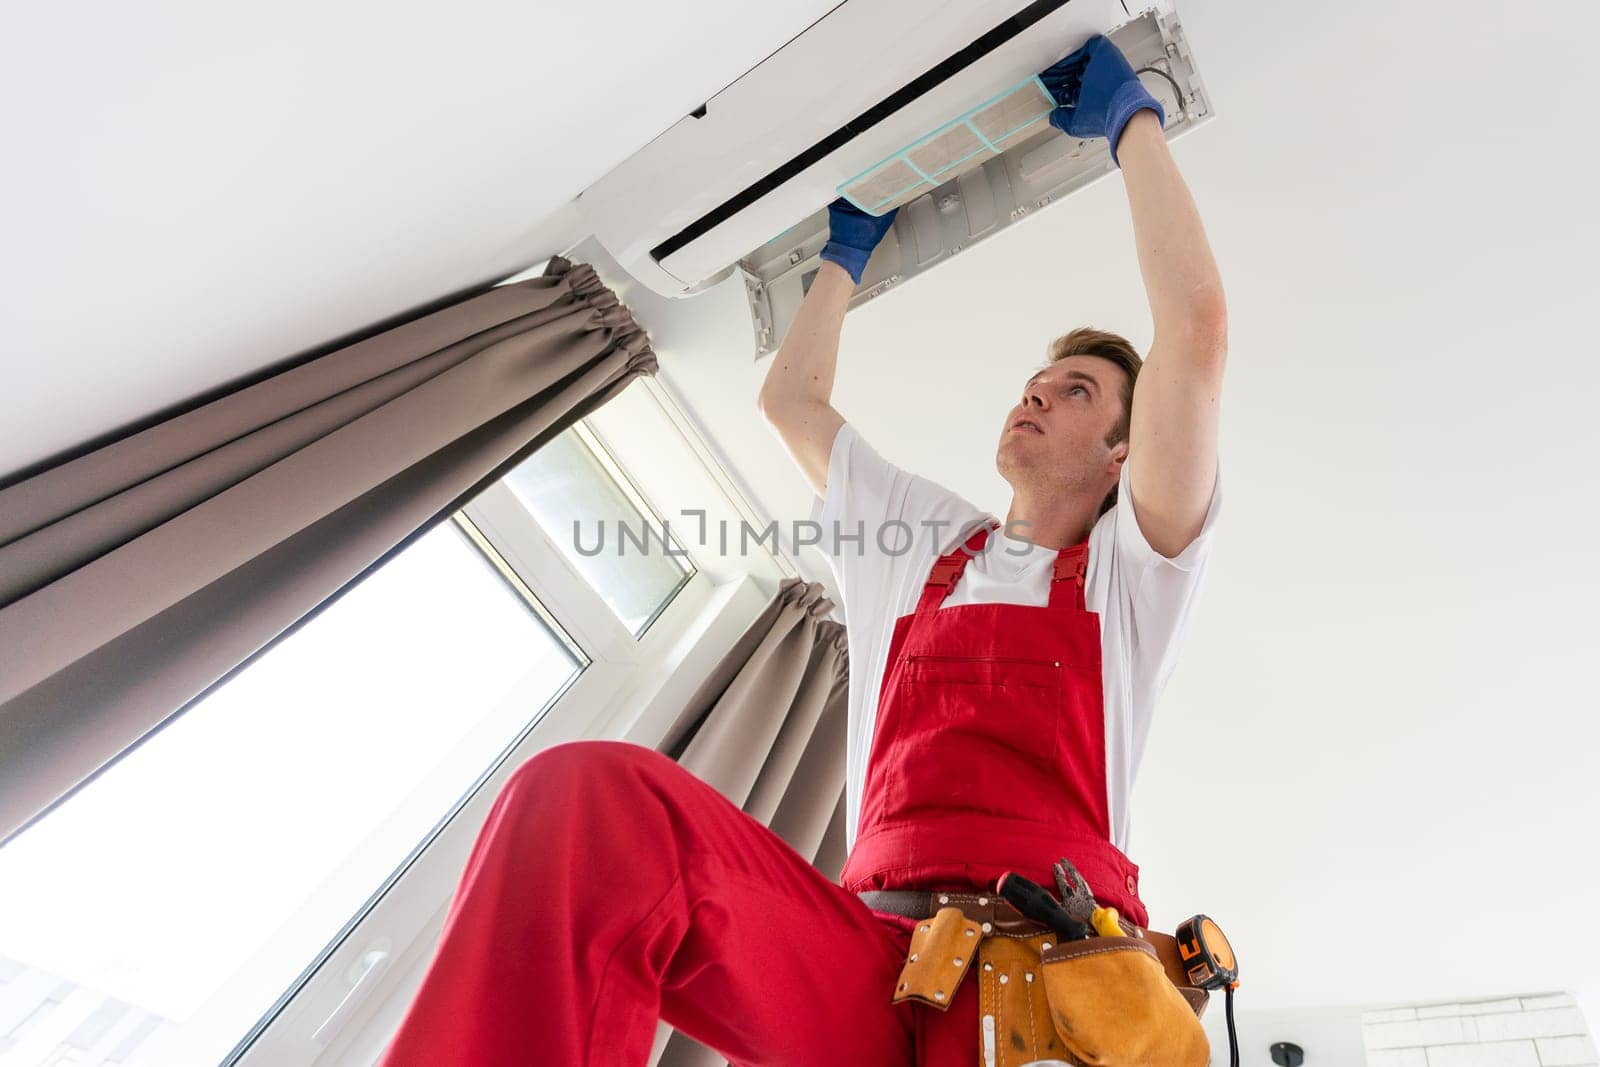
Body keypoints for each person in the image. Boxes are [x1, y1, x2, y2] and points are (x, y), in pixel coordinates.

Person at [379, 34, 1225, 1066]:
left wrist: (1130, 122)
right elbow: (790, 401)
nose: (1037, 395)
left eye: (1076, 392)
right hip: (865, 954)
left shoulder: (1133, 575)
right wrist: (843, 255)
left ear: (1119, 455)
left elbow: (1194, 325)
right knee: (586, 804)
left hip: (1052, 988)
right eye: (1037, 384)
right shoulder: (920, 543)